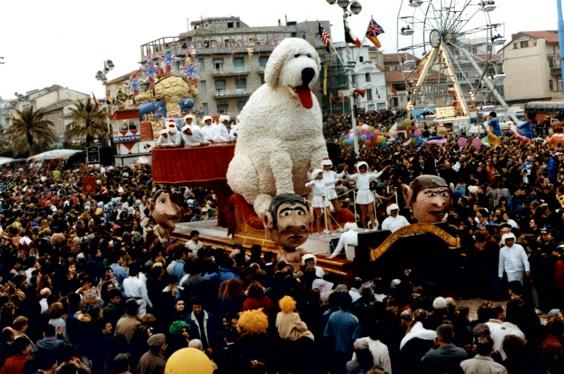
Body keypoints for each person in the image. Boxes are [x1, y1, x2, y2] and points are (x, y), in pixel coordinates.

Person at [264, 193, 311, 270]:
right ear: (270, 220)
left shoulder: (301, 251)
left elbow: (311, 259)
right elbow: (283, 265)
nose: (297, 224)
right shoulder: (282, 254)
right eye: (286, 213)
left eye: (300, 212)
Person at [346, 162, 389, 229]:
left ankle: (374, 226)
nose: (362, 169)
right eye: (361, 168)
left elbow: (377, 175)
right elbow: (348, 177)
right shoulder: (357, 175)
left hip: (368, 193)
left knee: (371, 211)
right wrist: (345, 170)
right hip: (361, 193)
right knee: (363, 213)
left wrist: (384, 169)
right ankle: (364, 227)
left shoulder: (369, 175)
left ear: (366, 168)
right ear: (358, 169)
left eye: (364, 168)